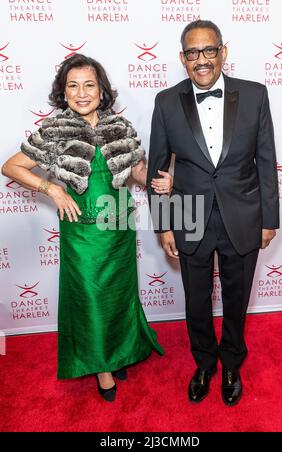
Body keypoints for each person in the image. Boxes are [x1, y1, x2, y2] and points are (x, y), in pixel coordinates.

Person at [1, 54, 173, 402]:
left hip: (119, 227)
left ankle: (121, 351)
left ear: (102, 90)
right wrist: (52, 189)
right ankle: (101, 367)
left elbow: (137, 172)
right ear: (63, 93)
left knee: (119, 296)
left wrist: (161, 181)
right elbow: (12, 166)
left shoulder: (119, 127)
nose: (82, 93)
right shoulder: (55, 130)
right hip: (82, 232)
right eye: (73, 86)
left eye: (89, 85)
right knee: (92, 299)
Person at [147, 20, 279, 406]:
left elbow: (267, 161)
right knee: (196, 300)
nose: (201, 59)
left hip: (244, 214)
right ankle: (204, 364)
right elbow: (158, 168)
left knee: (237, 299)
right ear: (182, 58)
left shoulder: (255, 95)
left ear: (223, 51)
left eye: (209, 50)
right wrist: (165, 224)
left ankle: (232, 363)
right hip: (189, 214)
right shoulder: (166, 101)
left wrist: (269, 218)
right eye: (192, 52)